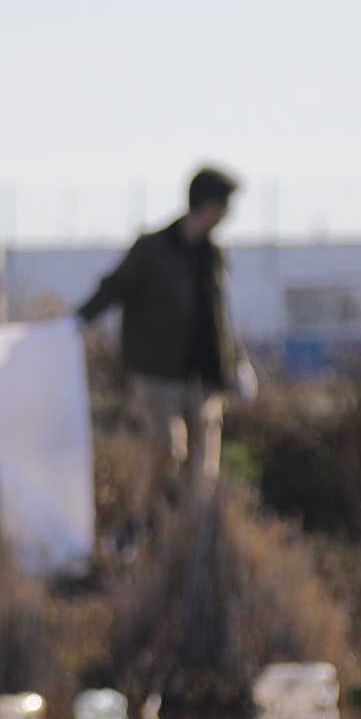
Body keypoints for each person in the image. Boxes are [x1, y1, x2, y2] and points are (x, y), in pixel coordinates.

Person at [75, 166, 248, 511]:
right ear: (209, 205)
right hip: (156, 373)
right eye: (225, 206)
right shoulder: (153, 250)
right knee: (167, 447)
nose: (228, 215)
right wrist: (76, 323)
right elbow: (114, 287)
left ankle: (189, 539)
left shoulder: (214, 255)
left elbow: (218, 316)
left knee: (203, 469)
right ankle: (141, 518)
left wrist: (238, 362)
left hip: (205, 377)